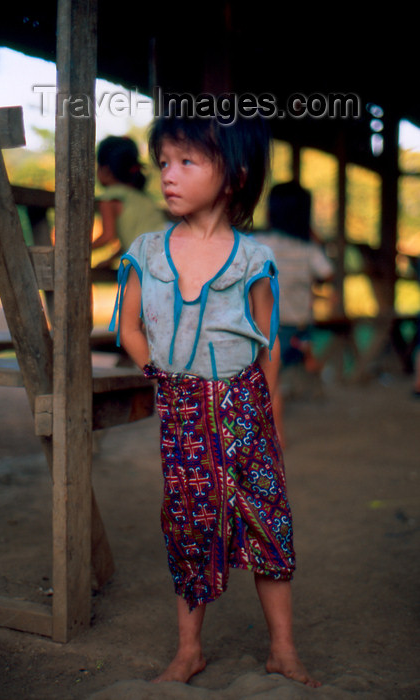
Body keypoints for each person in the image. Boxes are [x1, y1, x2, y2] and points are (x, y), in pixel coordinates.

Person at [109, 115, 320, 688]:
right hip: (182, 412)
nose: (169, 177)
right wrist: (159, 372)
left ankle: (283, 649)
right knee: (189, 522)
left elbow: (267, 341)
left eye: (187, 163)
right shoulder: (147, 251)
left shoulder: (254, 259)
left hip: (246, 407)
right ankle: (188, 651)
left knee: (267, 520)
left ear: (232, 178)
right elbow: (128, 327)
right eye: (164, 164)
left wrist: (270, 411)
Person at [255, 181, 335, 443]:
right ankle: (309, 358)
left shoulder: (258, 243)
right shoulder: (308, 249)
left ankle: (276, 435)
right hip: (299, 328)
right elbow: (327, 273)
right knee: (280, 374)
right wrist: (315, 239)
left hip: (269, 326)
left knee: (270, 380)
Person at [92, 135, 167, 268]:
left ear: (105, 170)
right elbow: (135, 238)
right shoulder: (141, 197)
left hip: (152, 262)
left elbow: (108, 236)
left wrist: (79, 250)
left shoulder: (109, 198)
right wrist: (111, 259)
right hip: (168, 251)